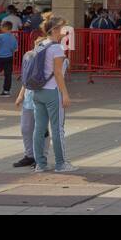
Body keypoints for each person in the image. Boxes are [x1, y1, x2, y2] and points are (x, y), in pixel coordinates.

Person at [32, 18, 77, 173]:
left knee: (39, 129)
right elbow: (58, 73)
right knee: (58, 128)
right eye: (62, 28)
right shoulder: (57, 48)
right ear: (55, 30)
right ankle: (61, 163)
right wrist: (65, 94)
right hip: (53, 92)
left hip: (38, 91)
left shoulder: (40, 45)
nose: (64, 31)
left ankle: (40, 164)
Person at [0, 20, 19, 96]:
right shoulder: (13, 37)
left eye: (1, 26)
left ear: (5, 28)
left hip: (0, 57)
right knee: (8, 75)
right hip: (9, 57)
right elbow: (16, 49)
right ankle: (6, 91)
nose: (0, 27)